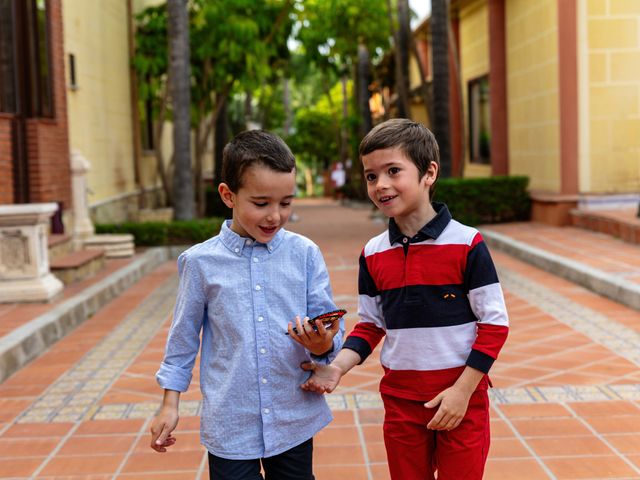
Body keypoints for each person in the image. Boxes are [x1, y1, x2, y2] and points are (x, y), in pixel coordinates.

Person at [301, 118, 509, 480]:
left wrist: (462, 392)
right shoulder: (372, 253)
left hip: (462, 399)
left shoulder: (467, 243)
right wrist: (336, 367)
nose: (380, 185)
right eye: (370, 176)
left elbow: (494, 325)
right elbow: (370, 324)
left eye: (393, 171)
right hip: (400, 402)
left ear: (428, 173)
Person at [150, 129, 344, 480]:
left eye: (286, 203)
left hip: (292, 418)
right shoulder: (200, 262)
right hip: (230, 421)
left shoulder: (304, 254)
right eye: (261, 203)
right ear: (228, 195)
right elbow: (183, 339)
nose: (275, 216)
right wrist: (169, 403)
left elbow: (329, 327)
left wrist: (324, 343)